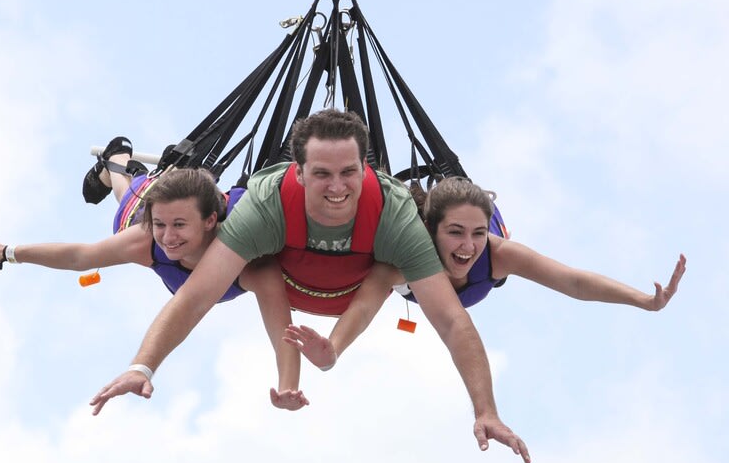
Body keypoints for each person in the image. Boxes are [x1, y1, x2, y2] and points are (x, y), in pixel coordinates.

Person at [89, 109, 531, 463]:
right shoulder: (264, 208)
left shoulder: (394, 216)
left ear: (366, 168)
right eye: (322, 173)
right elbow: (195, 297)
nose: (337, 187)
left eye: (348, 172)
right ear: (297, 172)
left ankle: (118, 169)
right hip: (281, 265)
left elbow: (453, 321)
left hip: (350, 284)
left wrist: (485, 409)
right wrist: (142, 366)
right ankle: (117, 167)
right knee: (132, 211)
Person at [0, 165, 309, 411]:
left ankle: (124, 173)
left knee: (135, 208)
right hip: (146, 203)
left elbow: (282, 326)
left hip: (251, 206)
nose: (169, 237)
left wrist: (288, 383)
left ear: (210, 220)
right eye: (161, 225)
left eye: (180, 225)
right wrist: (7, 252)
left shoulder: (251, 262)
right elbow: (81, 256)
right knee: (128, 203)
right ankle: (116, 163)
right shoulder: (147, 239)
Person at [283, 176, 686, 376]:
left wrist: (645, 301)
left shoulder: (496, 254)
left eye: (477, 234)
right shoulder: (402, 261)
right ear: (433, 231)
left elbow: (571, 281)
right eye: (455, 233)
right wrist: (333, 349)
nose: (468, 246)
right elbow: (366, 305)